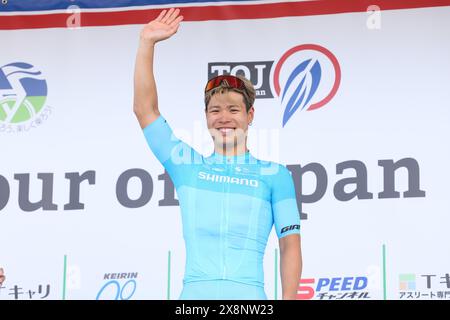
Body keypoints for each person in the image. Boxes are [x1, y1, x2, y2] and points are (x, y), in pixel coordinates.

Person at [134, 8, 302, 300]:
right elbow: (145, 110)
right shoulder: (188, 166)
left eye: (233, 109)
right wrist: (146, 43)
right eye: (216, 110)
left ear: (250, 115)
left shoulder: (275, 175)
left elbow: (290, 245)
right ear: (206, 117)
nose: (224, 117)